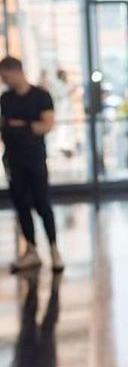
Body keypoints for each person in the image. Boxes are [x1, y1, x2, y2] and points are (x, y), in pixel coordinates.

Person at [1, 56, 63, 274]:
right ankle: (31, 249)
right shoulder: (6, 99)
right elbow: (5, 126)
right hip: (13, 160)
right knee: (21, 204)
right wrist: (26, 127)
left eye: (5, 76)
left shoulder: (41, 96)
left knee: (42, 203)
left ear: (16, 71)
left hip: (35, 159)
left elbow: (47, 125)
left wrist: (21, 126)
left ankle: (54, 248)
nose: (3, 80)